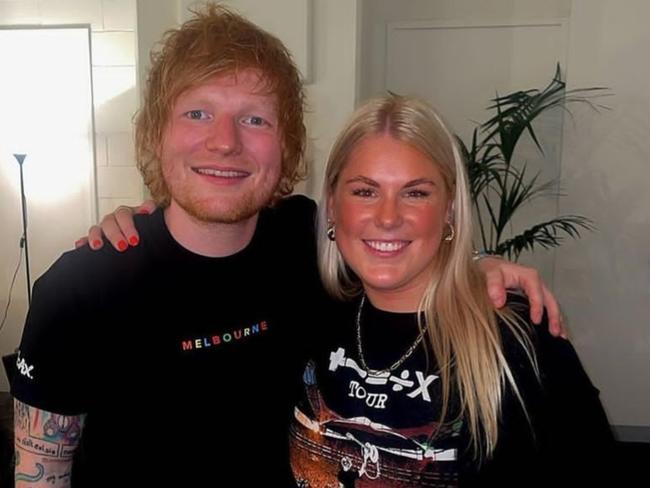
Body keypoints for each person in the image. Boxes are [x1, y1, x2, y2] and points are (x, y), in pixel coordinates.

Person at [13, 4, 561, 487]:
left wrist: (474, 263)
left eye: (254, 119)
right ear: (157, 133)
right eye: (197, 112)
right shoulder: (78, 287)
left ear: (287, 145)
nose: (225, 141)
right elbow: (41, 471)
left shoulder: (308, 240)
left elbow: (391, 235)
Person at [286, 95, 614, 487]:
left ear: (449, 210)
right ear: (334, 206)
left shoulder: (515, 339)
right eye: (365, 191)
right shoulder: (313, 307)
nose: (388, 218)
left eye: (416, 193)